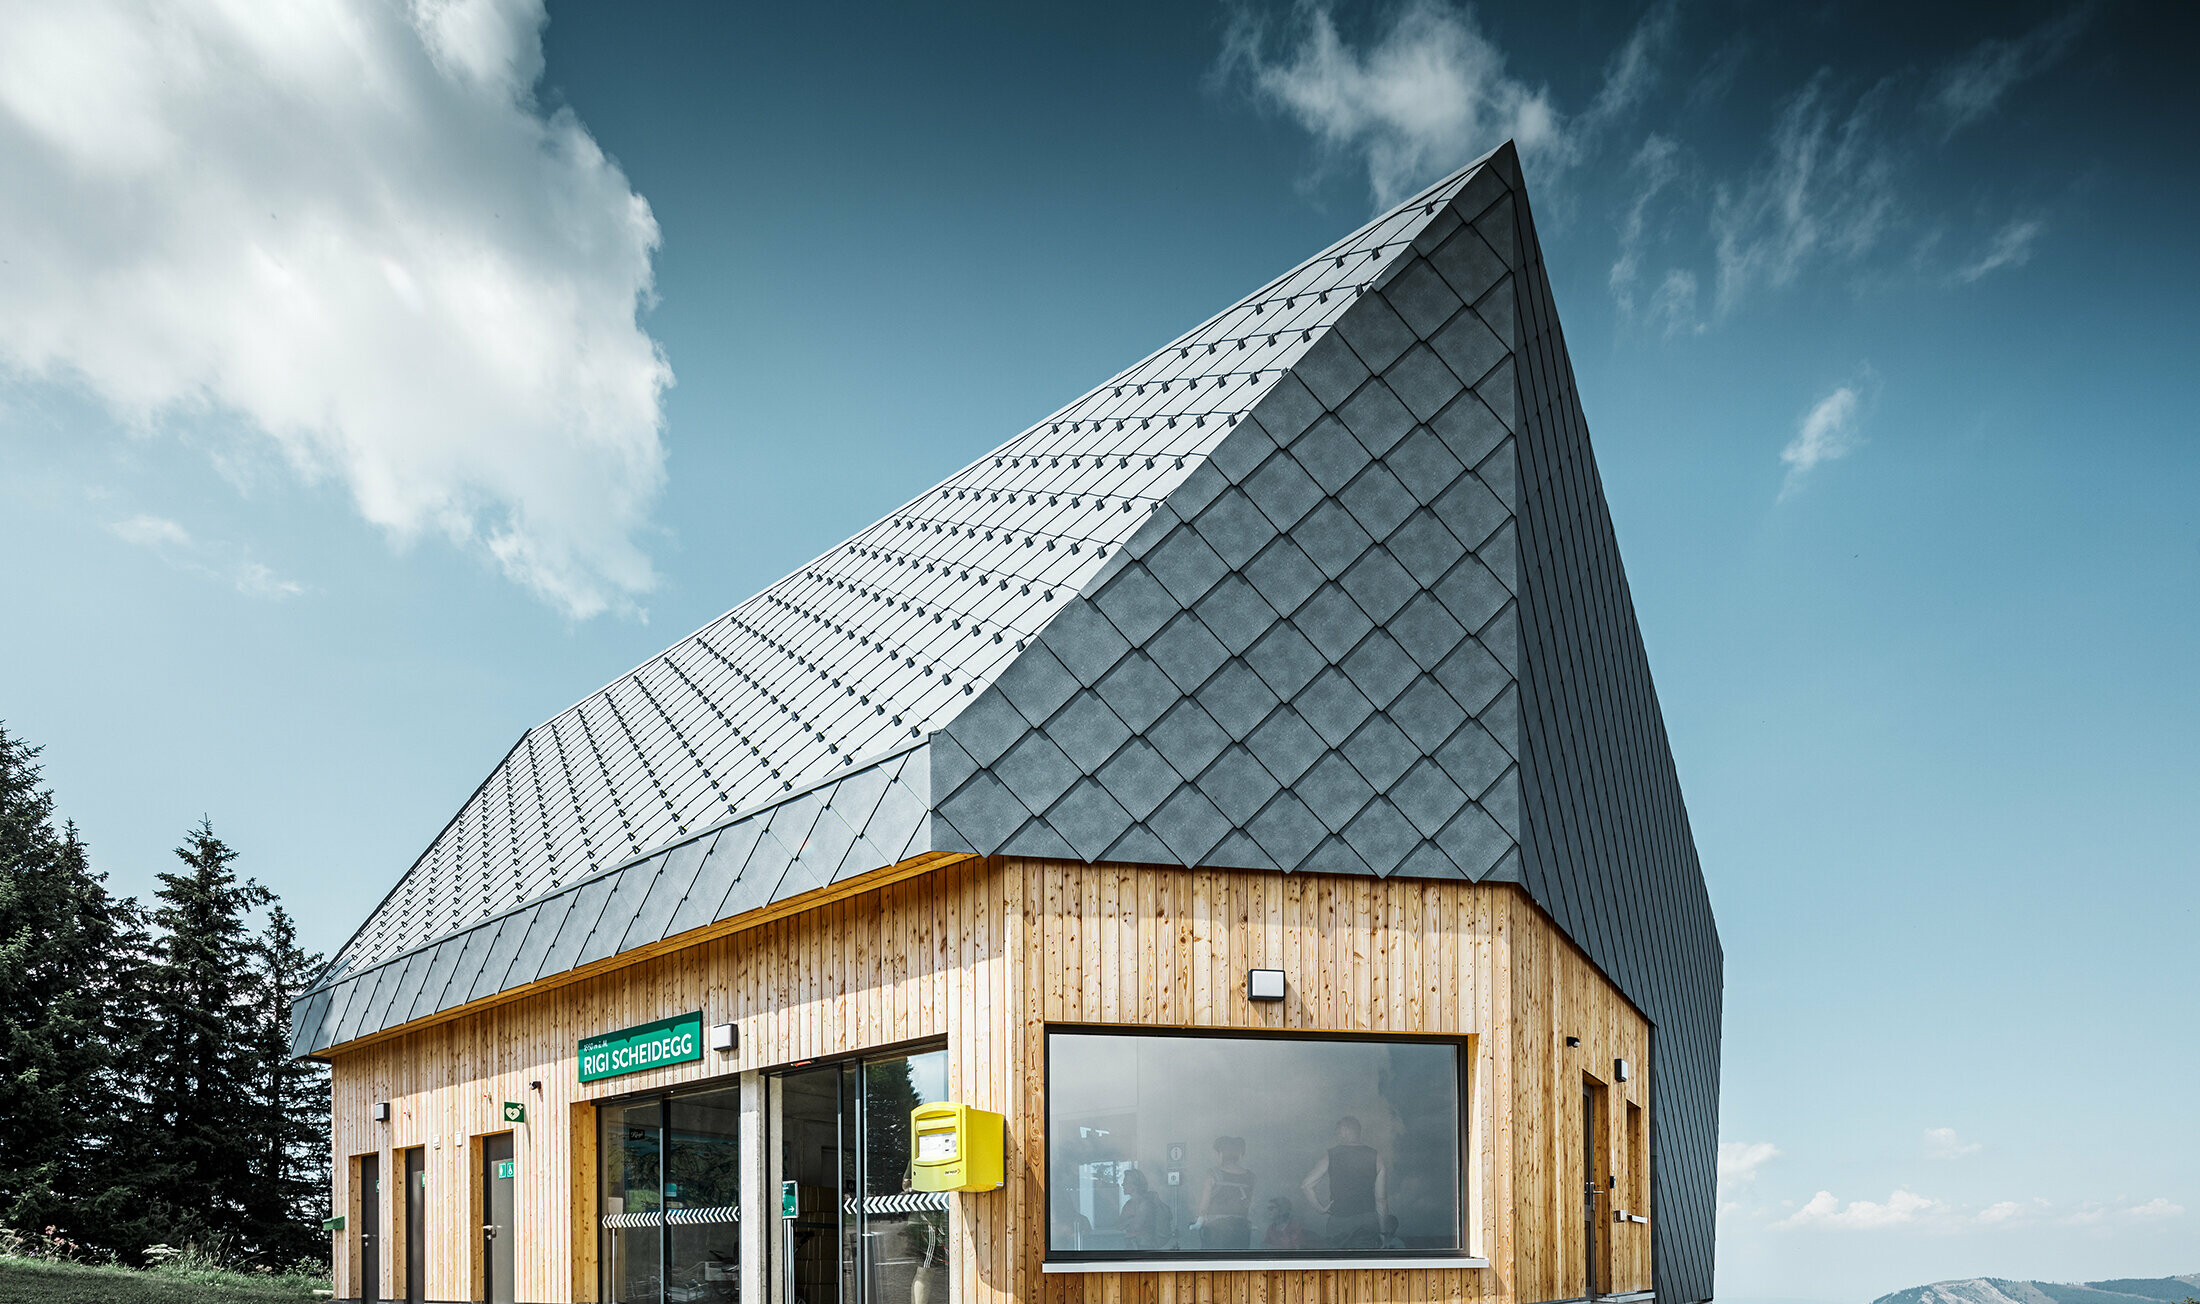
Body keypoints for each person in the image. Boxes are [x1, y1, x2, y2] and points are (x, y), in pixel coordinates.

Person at [1300, 1116, 1385, 1250]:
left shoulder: (1331, 1155)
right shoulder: (1376, 1156)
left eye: (1337, 1130)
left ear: (1345, 1130)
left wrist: (1320, 1209)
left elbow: (1306, 1185)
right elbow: (1381, 1199)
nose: (1336, 1134)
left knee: (1338, 1266)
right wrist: (1383, 1231)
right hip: (1367, 1221)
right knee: (1364, 1266)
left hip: (1339, 1222)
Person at [1195, 1136, 1255, 1250]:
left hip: (1216, 1231)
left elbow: (1204, 1205)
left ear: (1220, 1153)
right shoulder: (1250, 1177)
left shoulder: (1213, 1174)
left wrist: (1199, 1220)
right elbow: (1251, 1205)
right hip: (1241, 1230)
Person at [1117, 1167, 1164, 1252]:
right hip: (1130, 1246)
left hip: (1143, 1248)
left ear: (1134, 1185)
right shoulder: (1128, 1204)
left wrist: (1128, 1222)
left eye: (1125, 1182)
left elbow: (1136, 1227)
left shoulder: (1145, 1204)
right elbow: (1119, 1226)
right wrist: (1132, 1220)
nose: (1122, 1184)